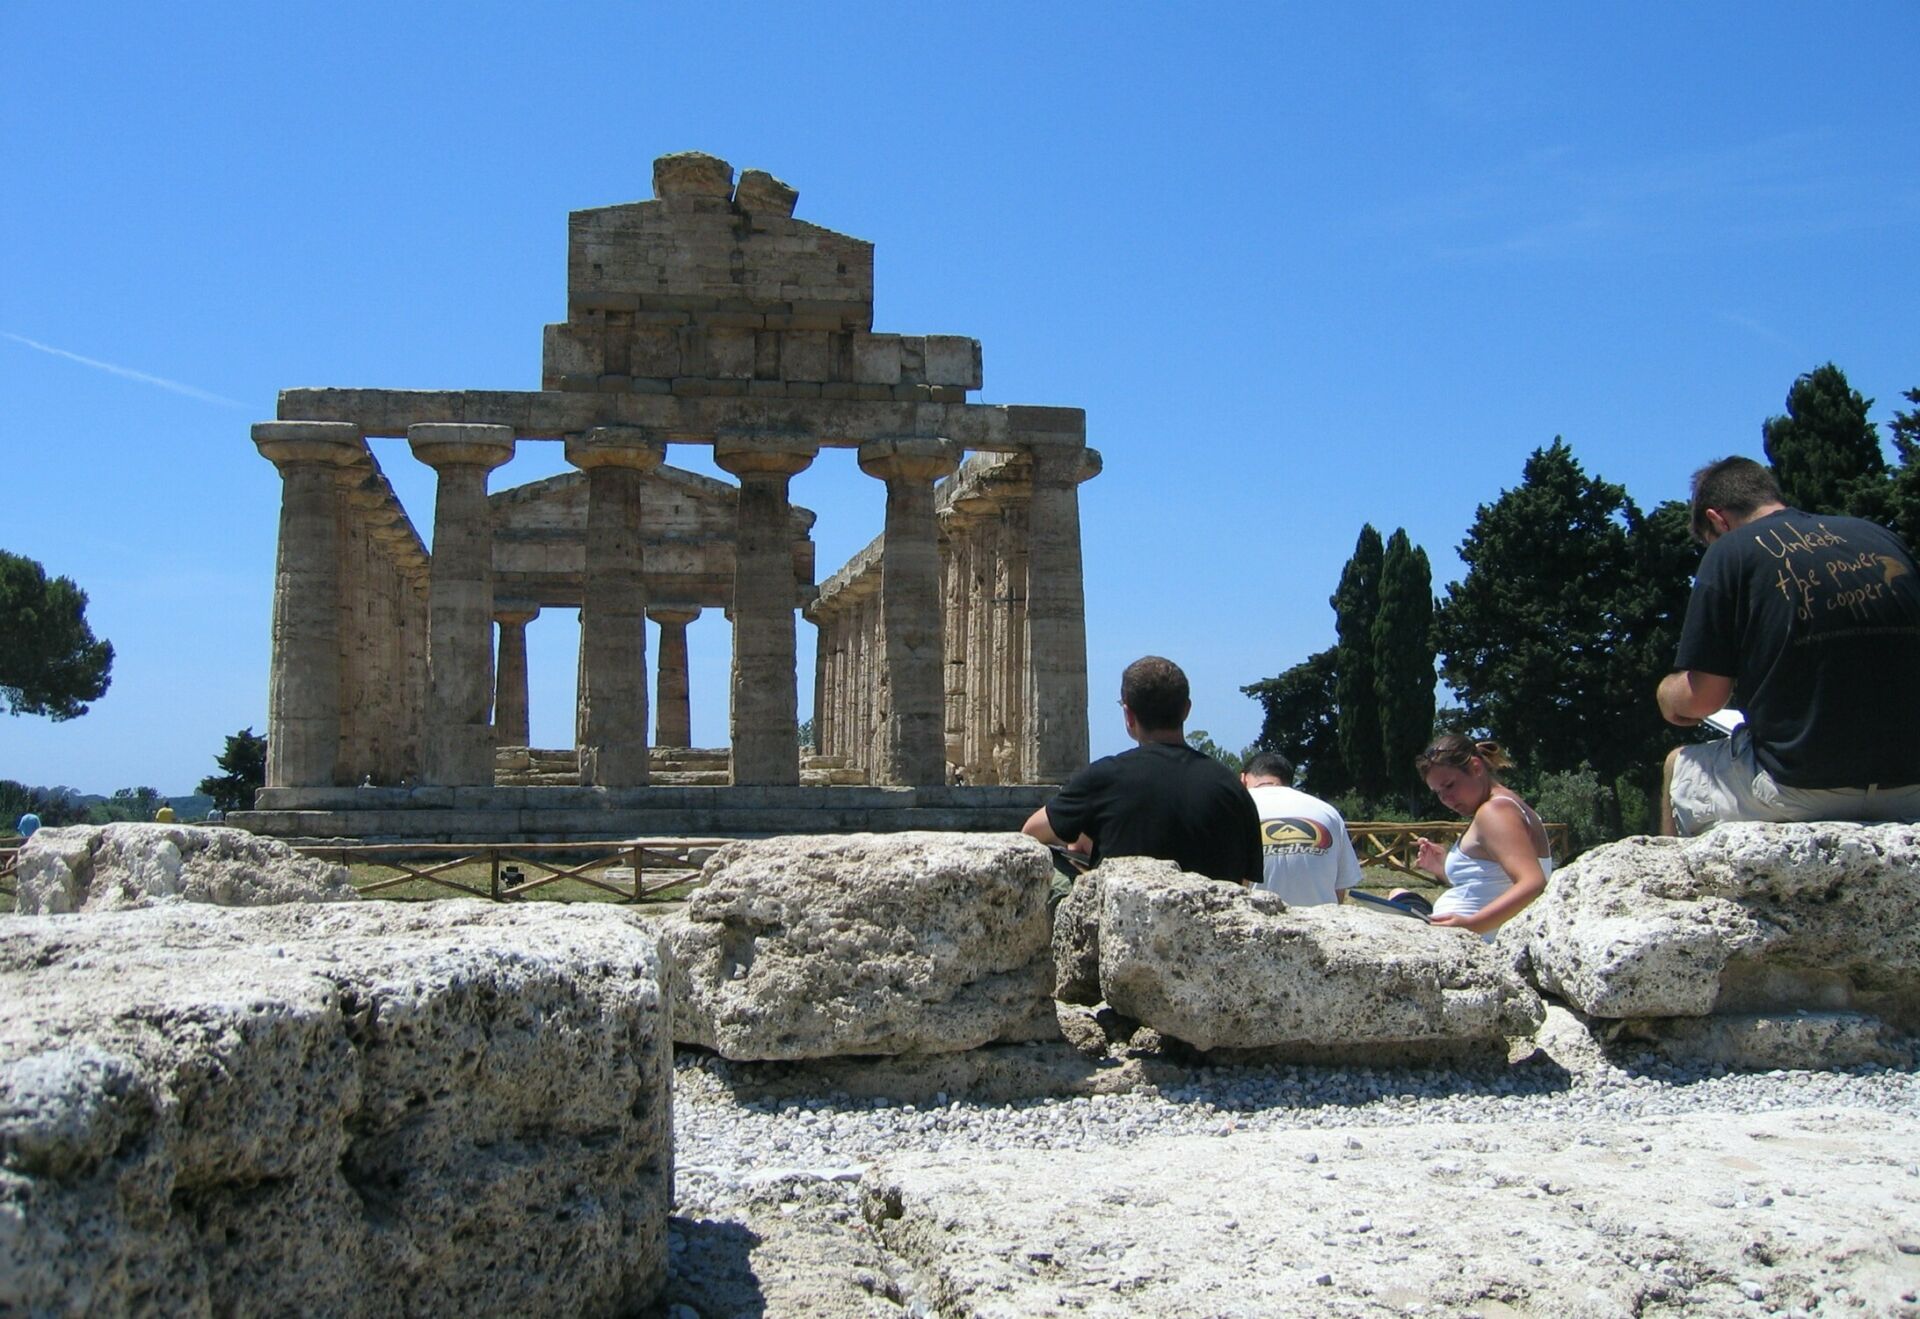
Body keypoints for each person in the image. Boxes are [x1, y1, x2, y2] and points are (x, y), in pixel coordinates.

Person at [1656, 456, 1920, 836]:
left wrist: (1668, 695)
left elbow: (1703, 699)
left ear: (1718, 519)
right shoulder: (1879, 537)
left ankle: (1667, 891)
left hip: (1799, 783)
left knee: (1678, 765)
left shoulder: (1731, 552)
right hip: (1911, 785)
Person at [1022, 655, 1262, 887]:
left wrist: (1087, 865)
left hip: (1124, 923)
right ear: (1187, 709)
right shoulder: (1232, 788)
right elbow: (1243, 882)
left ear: (1128, 715)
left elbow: (1030, 834)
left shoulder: (1104, 778)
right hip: (1210, 922)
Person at [1391, 736, 1552, 937]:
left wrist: (1472, 925)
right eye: (1438, 793)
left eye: (1449, 785)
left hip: (1475, 943)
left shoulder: (1495, 811)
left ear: (1476, 768)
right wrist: (1442, 868)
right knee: (1398, 894)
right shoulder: (1507, 805)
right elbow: (1492, 883)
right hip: (1465, 934)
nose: (1446, 799)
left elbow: (1532, 883)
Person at [1239, 751, 1360, 906]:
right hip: (1318, 925)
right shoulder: (1326, 812)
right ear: (1289, 780)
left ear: (1243, 779)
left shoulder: (1235, 809)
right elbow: (1340, 888)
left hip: (1255, 924)